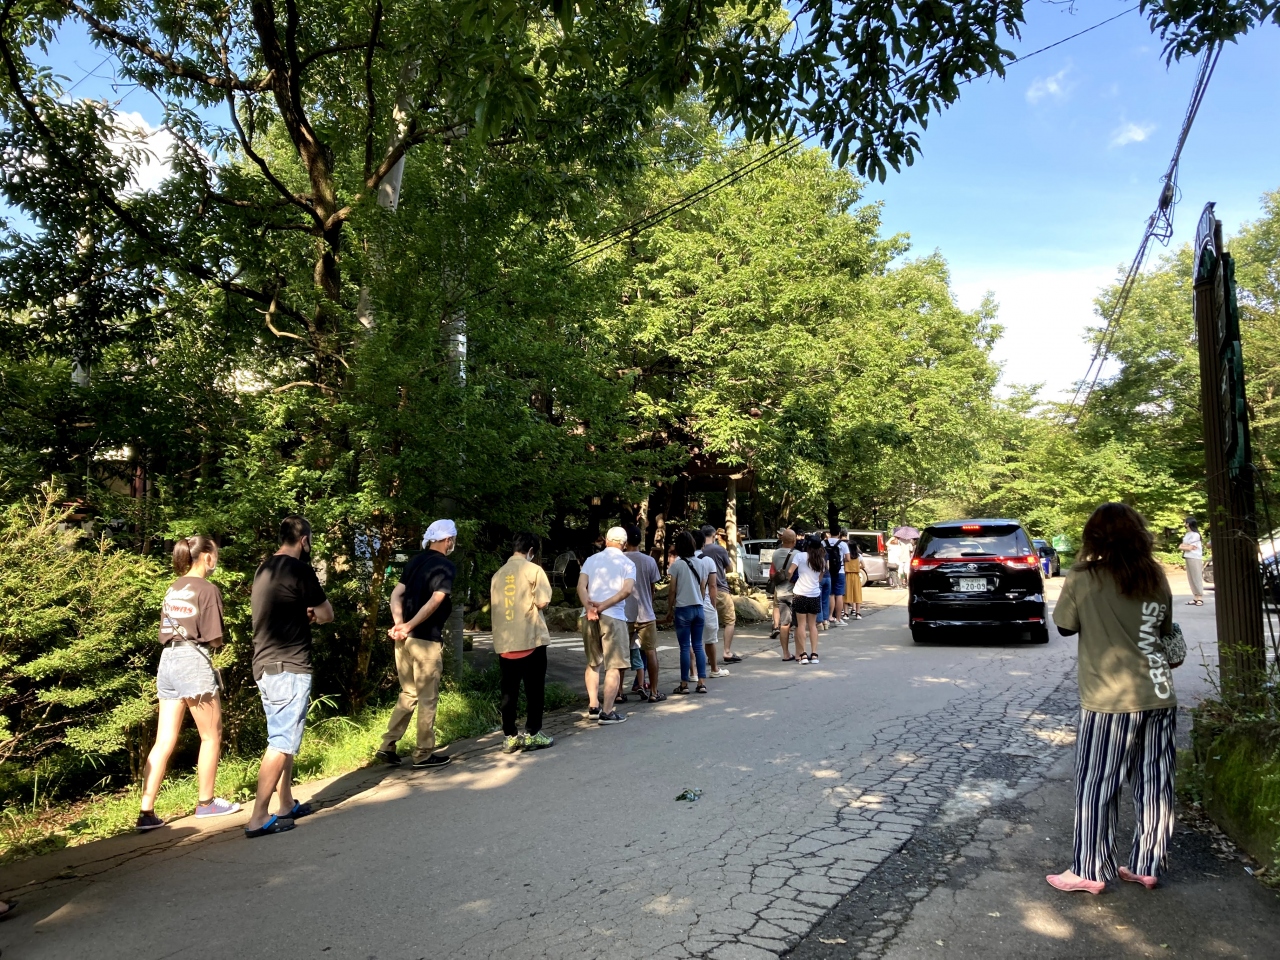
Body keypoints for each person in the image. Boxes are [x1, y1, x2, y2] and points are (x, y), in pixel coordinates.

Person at [1047, 502, 1177, 895]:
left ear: (1093, 538)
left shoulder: (1083, 577)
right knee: (1155, 783)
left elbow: (1065, 626)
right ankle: (1147, 865)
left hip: (1108, 700)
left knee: (1097, 784)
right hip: (1159, 693)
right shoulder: (1154, 575)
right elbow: (1164, 631)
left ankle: (1089, 869)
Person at [136, 536, 239, 832]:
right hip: (192, 662)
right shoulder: (207, 589)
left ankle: (146, 811)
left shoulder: (174, 587)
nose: (216, 559)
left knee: (164, 740)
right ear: (206, 556)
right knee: (211, 736)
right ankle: (206, 803)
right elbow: (215, 638)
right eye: (215, 554)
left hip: (167, 661)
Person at [245, 516, 334, 837]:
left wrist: (301, 613)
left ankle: (285, 803)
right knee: (282, 741)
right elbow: (327, 613)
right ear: (304, 540)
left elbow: (279, 611)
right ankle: (258, 817)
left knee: (286, 737)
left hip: (265, 664)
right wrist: (313, 615)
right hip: (289, 666)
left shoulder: (264, 569)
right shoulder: (299, 569)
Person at [375, 519, 458, 769]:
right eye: (452, 539)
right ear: (448, 540)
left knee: (408, 692)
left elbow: (395, 594)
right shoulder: (445, 566)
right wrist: (409, 625)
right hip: (425, 640)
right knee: (427, 697)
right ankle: (423, 753)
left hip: (404, 641)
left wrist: (400, 625)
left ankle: (388, 745)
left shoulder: (415, 561)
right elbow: (437, 598)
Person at [489, 532, 554, 753]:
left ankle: (509, 736)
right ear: (531, 551)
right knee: (534, 690)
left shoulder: (498, 574)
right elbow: (542, 602)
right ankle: (533, 733)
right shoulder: (534, 570)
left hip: (505, 642)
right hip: (530, 639)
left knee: (509, 691)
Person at [577, 526, 635, 725]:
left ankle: (593, 706)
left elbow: (581, 586)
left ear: (606, 541)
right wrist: (603, 606)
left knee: (593, 662)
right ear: (624, 544)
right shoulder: (627, 563)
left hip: (588, 616)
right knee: (614, 665)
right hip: (614, 616)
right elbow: (626, 590)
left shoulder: (591, 560)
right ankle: (607, 712)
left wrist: (589, 607)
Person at [661, 531, 708, 693]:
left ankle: (684, 684)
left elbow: (672, 590)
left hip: (683, 609)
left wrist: (669, 609)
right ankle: (701, 682)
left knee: (685, 647)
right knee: (698, 646)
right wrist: (700, 601)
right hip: (698, 608)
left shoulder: (677, 565)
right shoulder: (701, 563)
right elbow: (703, 587)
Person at [624, 526, 665, 703]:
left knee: (621, 654)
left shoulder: (619, 560)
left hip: (623, 614)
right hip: (646, 614)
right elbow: (652, 588)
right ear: (639, 540)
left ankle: (618, 693)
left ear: (625, 541)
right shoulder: (649, 561)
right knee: (651, 652)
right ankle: (654, 692)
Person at [699, 524, 740, 664]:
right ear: (714, 535)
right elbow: (730, 569)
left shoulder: (698, 551)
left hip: (701, 591)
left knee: (706, 624)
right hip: (720, 589)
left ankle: (709, 655)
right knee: (729, 620)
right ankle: (727, 652)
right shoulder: (719, 549)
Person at [788, 535, 825, 663]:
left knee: (801, 625)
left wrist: (790, 579)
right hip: (814, 594)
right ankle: (814, 654)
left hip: (800, 593)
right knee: (812, 625)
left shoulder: (800, 556)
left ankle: (803, 654)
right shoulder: (821, 560)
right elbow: (820, 578)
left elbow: (790, 571)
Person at [769, 529, 799, 660]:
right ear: (794, 541)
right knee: (798, 624)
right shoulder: (797, 554)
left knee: (784, 624)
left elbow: (772, 573)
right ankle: (799, 653)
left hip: (780, 592)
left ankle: (786, 653)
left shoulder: (775, 554)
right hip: (795, 592)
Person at [824, 526, 850, 626]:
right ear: (839, 533)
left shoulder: (823, 543)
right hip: (840, 571)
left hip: (827, 571)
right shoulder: (843, 544)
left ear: (829, 533)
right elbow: (848, 558)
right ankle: (838, 619)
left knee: (830, 594)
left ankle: (829, 617)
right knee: (839, 595)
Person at [1179, 518, 1205, 606]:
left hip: (1195, 557)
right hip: (1188, 556)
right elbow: (1182, 546)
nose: (1184, 524)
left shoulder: (1195, 535)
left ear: (1188, 524)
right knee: (1190, 577)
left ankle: (1200, 598)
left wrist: (1185, 546)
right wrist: (1185, 546)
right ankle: (1195, 597)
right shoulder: (1187, 534)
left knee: (1196, 577)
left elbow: (1190, 548)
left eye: (1186, 522)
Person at [843, 532, 863, 619]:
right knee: (857, 593)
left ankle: (846, 613)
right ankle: (858, 613)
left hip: (847, 575)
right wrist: (857, 567)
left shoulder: (846, 556)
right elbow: (864, 565)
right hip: (856, 575)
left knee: (846, 594)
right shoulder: (859, 556)